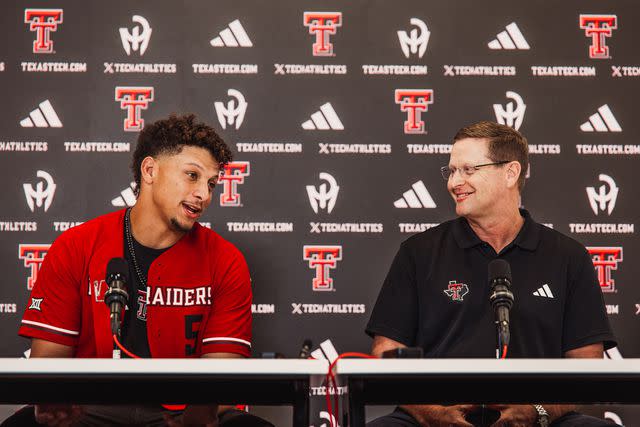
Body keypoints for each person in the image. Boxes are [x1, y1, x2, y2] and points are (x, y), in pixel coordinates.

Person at [13, 114, 273, 427]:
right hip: (90, 410)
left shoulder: (226, 260)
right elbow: (49, 360)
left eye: (211, 184)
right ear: (149, 171)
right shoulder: (75, 246)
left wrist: (199, 412)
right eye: (192, 175)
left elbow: (222, 372)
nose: (204, 194)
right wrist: (54, 401)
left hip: (180, 413)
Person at [365, 121, 616, 427]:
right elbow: (386, 350)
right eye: (451, 170)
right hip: (431, 416)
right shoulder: (418, 252)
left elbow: (587, 363)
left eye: (469, 170)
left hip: (539, 418)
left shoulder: (569, 257)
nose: (454, 182)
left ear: (511, 173)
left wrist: (539, 410)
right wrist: (431, 412)